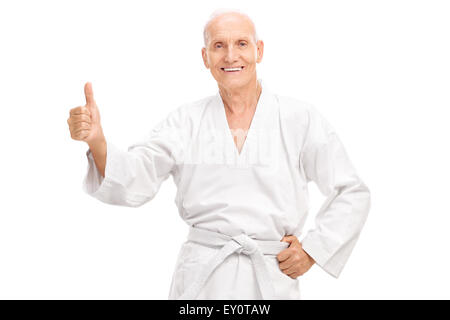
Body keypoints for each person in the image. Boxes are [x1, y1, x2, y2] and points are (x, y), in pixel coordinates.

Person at [67, 9, 371, 300]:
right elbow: (136, 176)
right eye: (218, 46)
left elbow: (351, 192)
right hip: (203, 277)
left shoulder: (299, 118)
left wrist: (313, 251)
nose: (230, 56)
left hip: (270, 273)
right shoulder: (186, 121)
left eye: (241, 44)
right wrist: (97, 142)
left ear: (259, 51)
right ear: (205, 57)